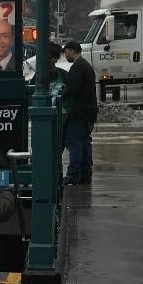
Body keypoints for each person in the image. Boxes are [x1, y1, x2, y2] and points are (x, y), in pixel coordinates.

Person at [61, 39, 98, 185]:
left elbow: (73, 89)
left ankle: (73, 175)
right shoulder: (86, 65)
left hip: (79, 112)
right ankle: (86, 174)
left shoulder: (77, 67)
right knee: (85, 143)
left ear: (71, 51)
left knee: (74, 143)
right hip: (89, 112)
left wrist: (60, 97)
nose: (65, 56)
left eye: (66, 52)